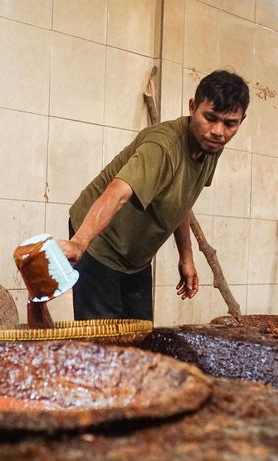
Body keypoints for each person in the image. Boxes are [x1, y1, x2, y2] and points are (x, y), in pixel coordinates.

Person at [59, 70, 249, 321]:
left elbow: (182, 201)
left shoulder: (211, 147)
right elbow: (118, 192)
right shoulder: (162, 147)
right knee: (105, 347)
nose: (218, 131)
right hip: (99, 242)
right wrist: (79, 242)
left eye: (229, 124)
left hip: (134, 256)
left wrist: (186, 258)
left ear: (240, 121)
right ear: (193, 107)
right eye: (210, 117)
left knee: (141, 336)